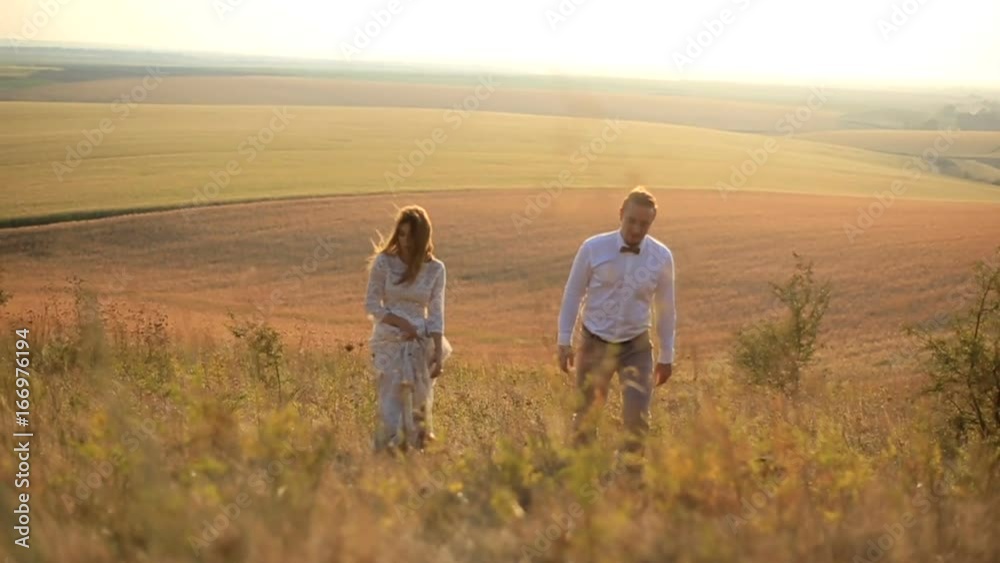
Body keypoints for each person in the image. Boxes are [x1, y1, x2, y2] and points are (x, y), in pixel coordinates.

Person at [556, 186, 676, 461]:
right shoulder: (592, 248)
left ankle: (629, 477)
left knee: (637, 418)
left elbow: (666, 309)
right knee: (586, 416)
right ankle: (583, 474)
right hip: (594, 342)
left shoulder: (662, 257)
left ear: (652, 223)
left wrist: (667, 355)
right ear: (621, 214)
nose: (636, 229)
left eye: (644, 224)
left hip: (637, 346)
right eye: (631, 221)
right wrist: (564, 340)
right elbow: (573, 292)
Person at [365, 205, 451, 452]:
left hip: (420, 342)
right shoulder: (384, 263)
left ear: (422, 237)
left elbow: (436, 314)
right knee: (390, 396)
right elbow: (372, 304)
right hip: (389, 338)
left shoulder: (436, 269)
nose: (405, 241)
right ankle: (387, 449)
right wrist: (400, 322)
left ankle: (413, 452)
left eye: (411, 236)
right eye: (401, 234)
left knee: (418, 400)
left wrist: (437, 351)